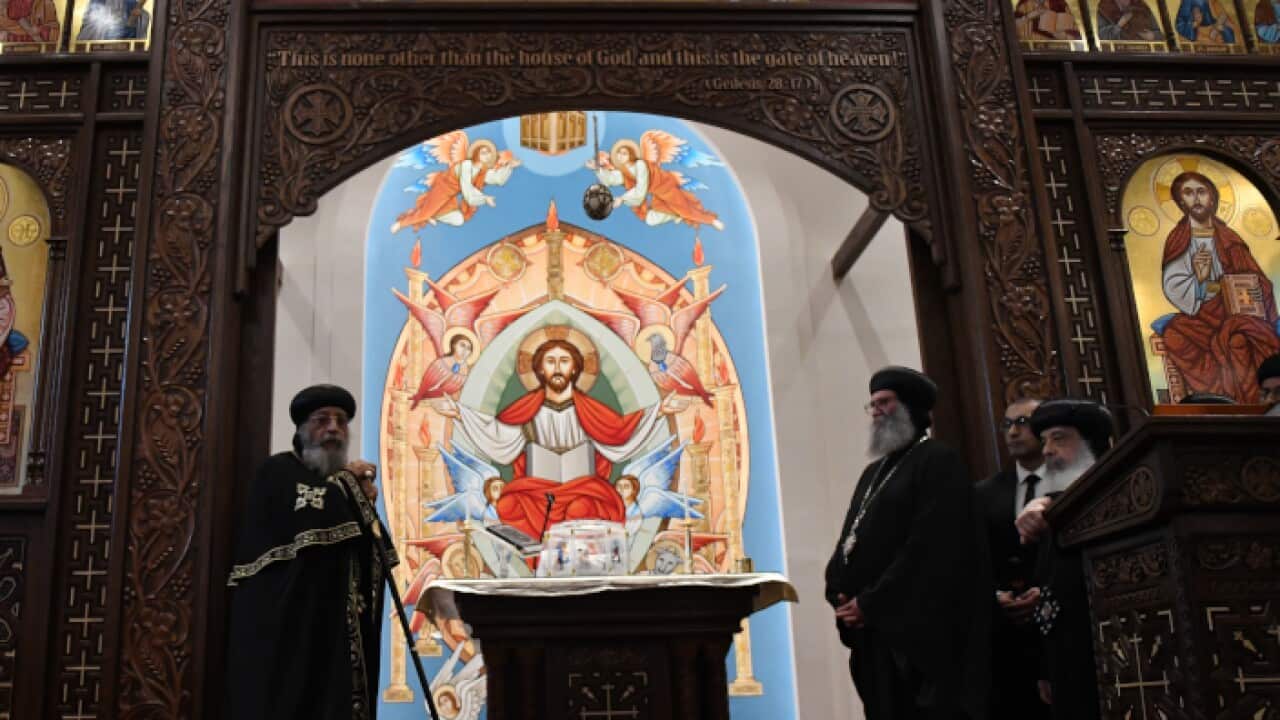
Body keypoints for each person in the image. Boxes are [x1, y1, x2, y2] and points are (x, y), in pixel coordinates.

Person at [824, 366, 989, 720]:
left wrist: (872, 601)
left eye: (884, 402)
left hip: (915, 637)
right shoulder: (874, 473)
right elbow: (849, 539)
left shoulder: (938, 462)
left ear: (911, 407)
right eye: (872, 405)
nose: (876, 412)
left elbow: (930, 547)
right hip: (873, 633)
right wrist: (838, 588)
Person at [225, 384, 393, 720]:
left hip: (336, 634)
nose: (333, 428)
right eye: (322, 420)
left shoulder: (344, 488)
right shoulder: (278, 473)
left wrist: (359, 499)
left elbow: (373, 549)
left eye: (341, 421)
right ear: (302, 431)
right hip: (289, 631)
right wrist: (348, 487)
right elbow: (315, 519)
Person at [436, 335, 682, 539]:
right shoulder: (527, 408)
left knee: (580, 508)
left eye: (563, 361)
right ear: (540, 369)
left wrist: (659, 412)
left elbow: (619, 433)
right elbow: (497, 435)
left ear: (574, 367)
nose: (557, 368)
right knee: (507, 505)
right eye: (550, 361)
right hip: (537, 488)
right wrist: (460, 414)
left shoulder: (590, 410)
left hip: (584, 488)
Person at [1015, 399, 1115, 720]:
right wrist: (1046, 667)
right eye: (1044, 440)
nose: (1046, 450)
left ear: (1092, 444)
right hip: (1064, 660)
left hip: (1111, 659)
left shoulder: (1116, 499)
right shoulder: (1051, 511)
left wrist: (1046, 503)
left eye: (1059, 438)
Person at [1160, 172, 1280, 403]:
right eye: (1188, 192)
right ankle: (1214, 399)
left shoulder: (1229, 237)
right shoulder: (1178, 238)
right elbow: (1173, 284)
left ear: (1212, 198)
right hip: (1204, 314)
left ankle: (1249, 404)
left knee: (1238, 339)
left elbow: (1259, 280)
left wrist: (1259, 292)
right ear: (1180, 201)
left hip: (1240, 313)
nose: (1196, 198)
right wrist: (1200, 281)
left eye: (1201, 191)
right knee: (1174, 333)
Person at [974, 398, 1051, 720]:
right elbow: (971, 559)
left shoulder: (1073, 486)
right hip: (1003, 639)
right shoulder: (983, 493)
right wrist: (994, 596)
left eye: (1023, 422)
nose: (1013, 432)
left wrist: (1045, 594)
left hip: (1057, 635)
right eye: (1007, 424)